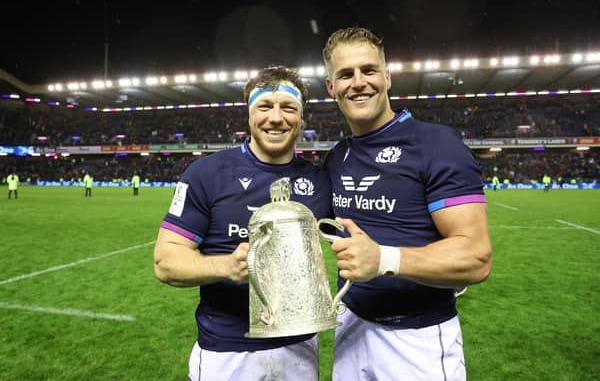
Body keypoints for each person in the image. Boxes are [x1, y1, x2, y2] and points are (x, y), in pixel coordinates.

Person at [321, 27, 493, 381]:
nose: (358, 82)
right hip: (350, 325)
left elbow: (476, 257)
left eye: (368, 70)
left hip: (417, 340)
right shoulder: (337, 157)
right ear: (331, 87)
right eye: (345, 74)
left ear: (387, 77)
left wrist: (384, 259)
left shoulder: (436, 144)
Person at [153, 66, 331, 381]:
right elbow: (165, 262)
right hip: (227, 353)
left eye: (288, 108)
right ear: (248, 115)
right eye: (264, 106)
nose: (276, 118)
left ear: (302, 119)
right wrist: (227, 267)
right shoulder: (206, 174)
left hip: (300, 348)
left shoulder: (319, 180)